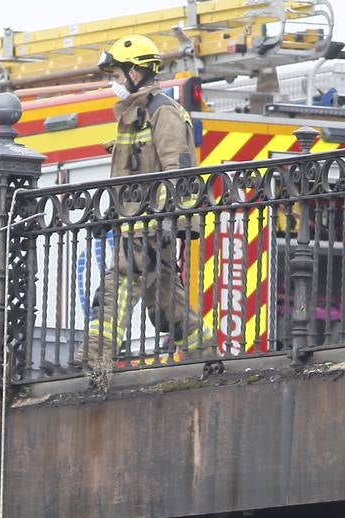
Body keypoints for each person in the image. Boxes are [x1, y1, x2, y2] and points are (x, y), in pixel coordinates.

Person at [85, 33, 214, 369]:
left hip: (153, 223)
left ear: (137, 72)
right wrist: (111, 213)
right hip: (139, 222)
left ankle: (94, 364)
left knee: (118, 285)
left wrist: (171, 217)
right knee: (165, 308)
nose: (113, 82)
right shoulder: (133, 115)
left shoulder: (164, 113)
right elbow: (130, 173)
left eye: (116, 75)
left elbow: (178, 167)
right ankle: (208, 359)